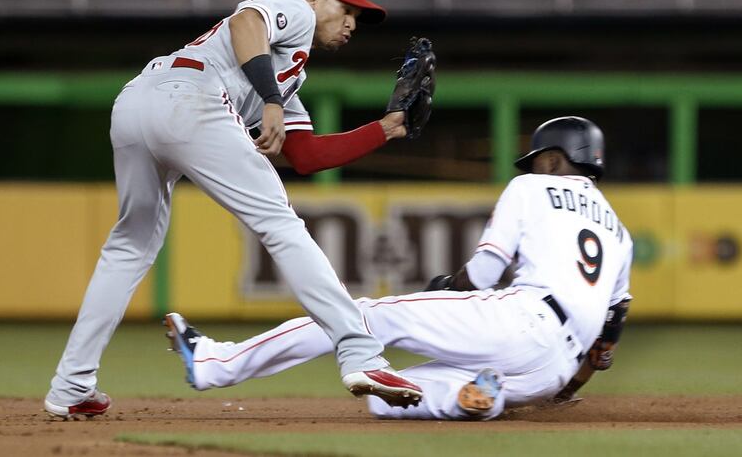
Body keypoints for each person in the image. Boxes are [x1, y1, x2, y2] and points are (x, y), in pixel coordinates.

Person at [44, 0, 425, 419]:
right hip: (191, 97)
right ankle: (361, 353)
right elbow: (248, 22)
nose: (350, 24)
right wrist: (267, 100)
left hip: (135, 104)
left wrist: (385, 129)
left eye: (358, 19)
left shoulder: (286, 75)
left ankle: (71, 384)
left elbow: (306, 156)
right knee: (280, 225)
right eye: (346, 9)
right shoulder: (296, 11)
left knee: (129, 245)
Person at [163, 116, 633, 420]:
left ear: (553, 159)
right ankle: (473, 399)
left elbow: (487, 272)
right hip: (551, 368)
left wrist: (450, 288)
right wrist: (561, 388)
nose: (535, 165)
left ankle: (215, 363)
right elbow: (606, 343)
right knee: (384, 395)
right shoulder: (619, 235)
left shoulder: (531, 187)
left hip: (522, 319)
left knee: (358, 318)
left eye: (539, 159)